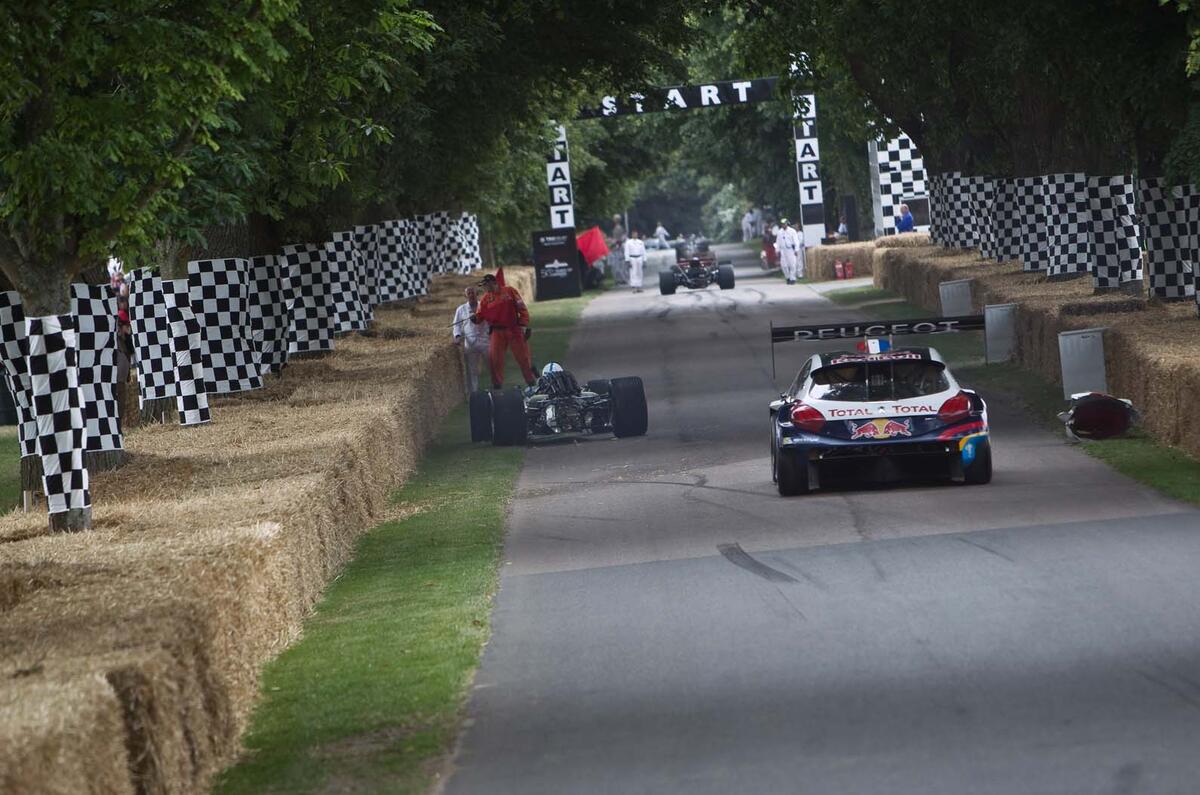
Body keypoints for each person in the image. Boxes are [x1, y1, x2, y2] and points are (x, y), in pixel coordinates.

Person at [471, 270, 537, 391]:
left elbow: (521, 308)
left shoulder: (510, 291)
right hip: (497, 332)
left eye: (485, 285)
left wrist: (523, 324)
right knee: (494, 359)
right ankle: (497, 386)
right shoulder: (485, 299)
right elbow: (479, 316)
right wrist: (474, 318)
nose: (484, 288)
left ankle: (532, 382)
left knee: (523, 357)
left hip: (514, 328)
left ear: (493, 283)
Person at [453, 285, 491, 393]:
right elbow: (456, 326)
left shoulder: (484, 306)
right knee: (472, 370)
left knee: (492, 367)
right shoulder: (461, 309)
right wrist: (457, 336)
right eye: (468, 293)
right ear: (466, 295)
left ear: (477, 294)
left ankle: (496, 389)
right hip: (470, 342)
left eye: (473, 293)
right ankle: (474, 394)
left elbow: (491, 321)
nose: (471, 295)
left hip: (485, 340)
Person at [775, 218, 803, 285]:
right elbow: (778, 242)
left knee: (792, 264)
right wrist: (777, 250)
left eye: (784, 224)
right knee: (784, 265)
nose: (783, 225)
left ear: (787, 224)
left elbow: (796, 241)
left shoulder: (792, 231)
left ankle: (792, 278)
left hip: (790, 250)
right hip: (783, 250)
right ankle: (787, 277)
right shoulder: (779, 232)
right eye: (782, 224)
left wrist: (796, 250)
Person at [624, 228, 647, 292]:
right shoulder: (628, 242)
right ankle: (634, 286)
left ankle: (639, 286)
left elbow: (643, 251)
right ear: (632, 235)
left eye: (636, 234)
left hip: (639, 258)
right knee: (633, 273)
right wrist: (627, 260)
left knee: (639, 272)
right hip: (632, 258)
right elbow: (627, 252)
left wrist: (644, 260)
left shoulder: (640, 242)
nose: (635, 235)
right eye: (634, 234)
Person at [608, 214, 628, 285]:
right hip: (618, 247)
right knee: (619, 265)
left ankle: (621, 279)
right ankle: (620, 279)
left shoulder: (618, 228)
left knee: (618, 265)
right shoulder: (619, 228)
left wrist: (612, 242)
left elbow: (618, 239)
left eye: (614, 219)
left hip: (617, 248)